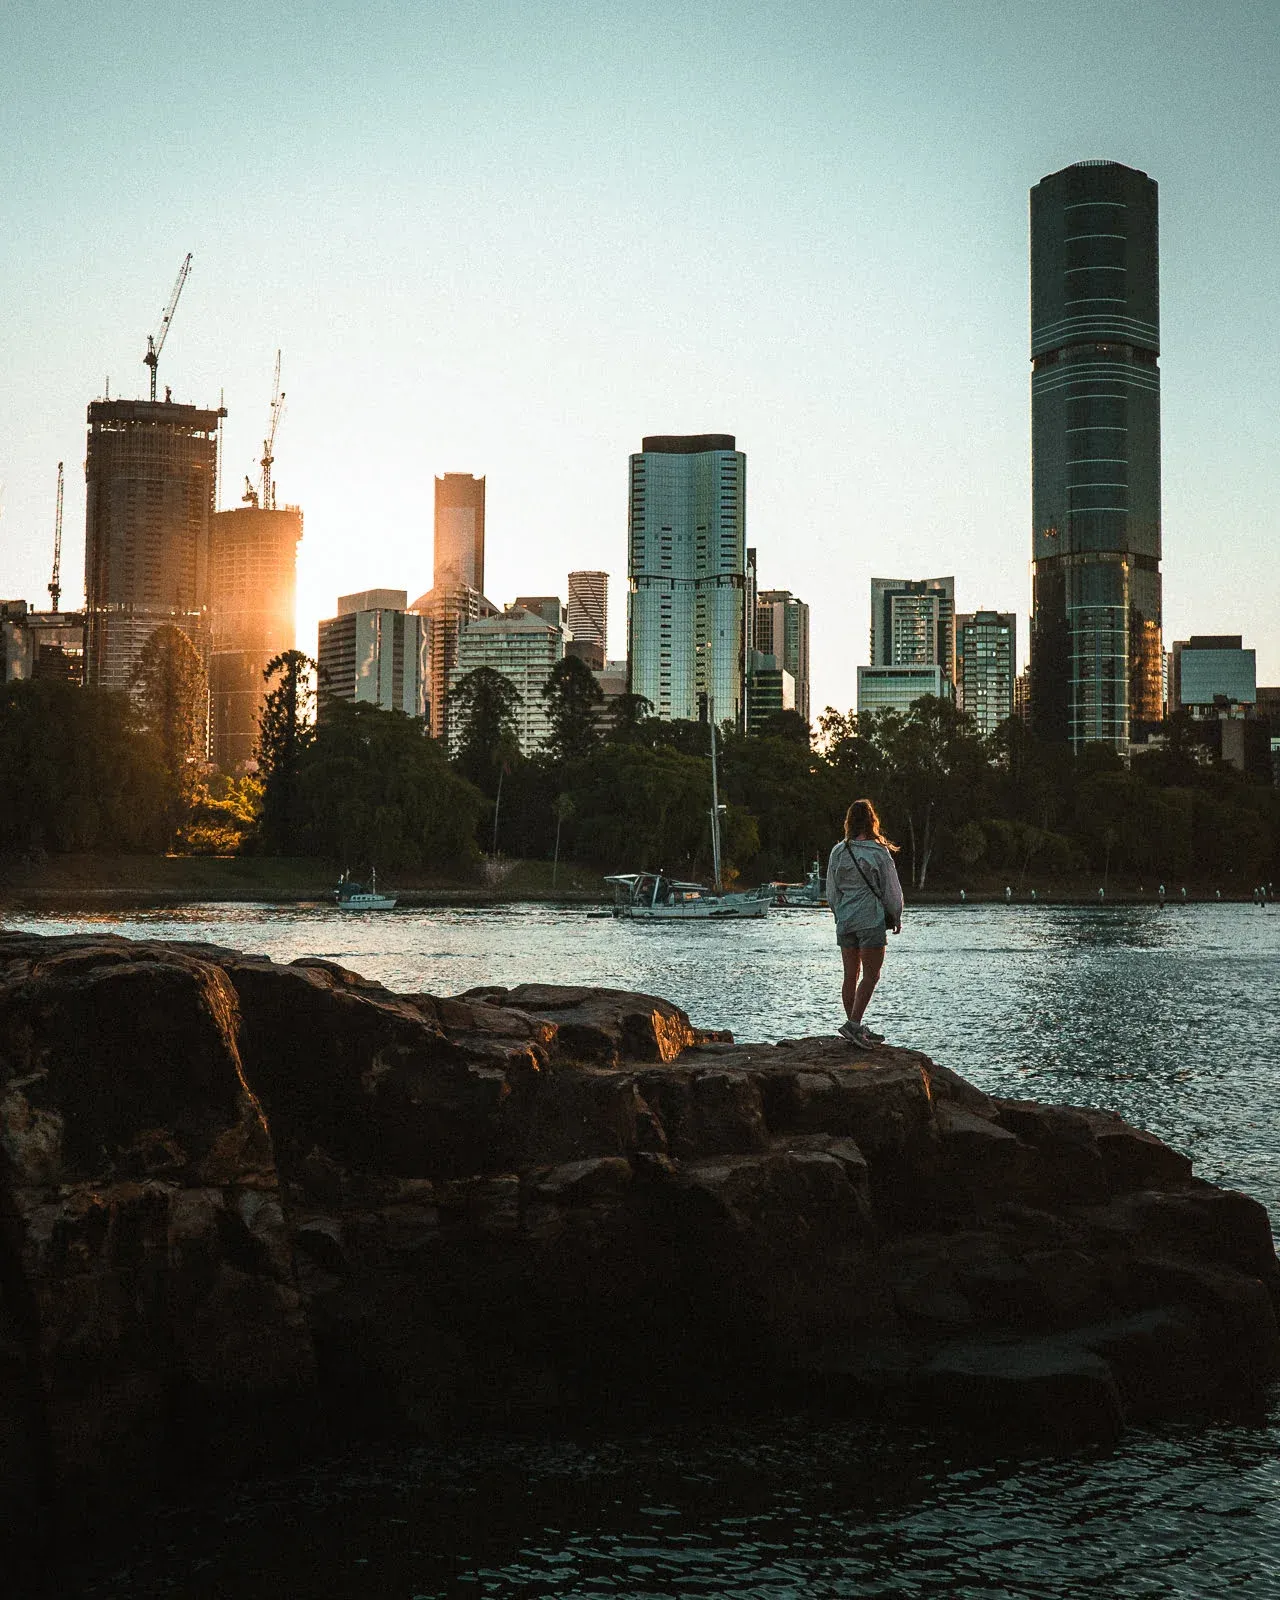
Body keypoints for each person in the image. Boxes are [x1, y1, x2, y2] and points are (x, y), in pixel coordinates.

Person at [826, 798, 904, 1048]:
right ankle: (854, 1025)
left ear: (849, 821)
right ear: (872, 821)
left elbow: (831, 891)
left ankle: (854, 1027)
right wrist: (897, 915)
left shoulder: (838, 851)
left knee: (851, 975)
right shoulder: (878, 851)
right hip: (869, 920)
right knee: (871, 975)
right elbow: (892, 890)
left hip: (845, 920)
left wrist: (839, 914)